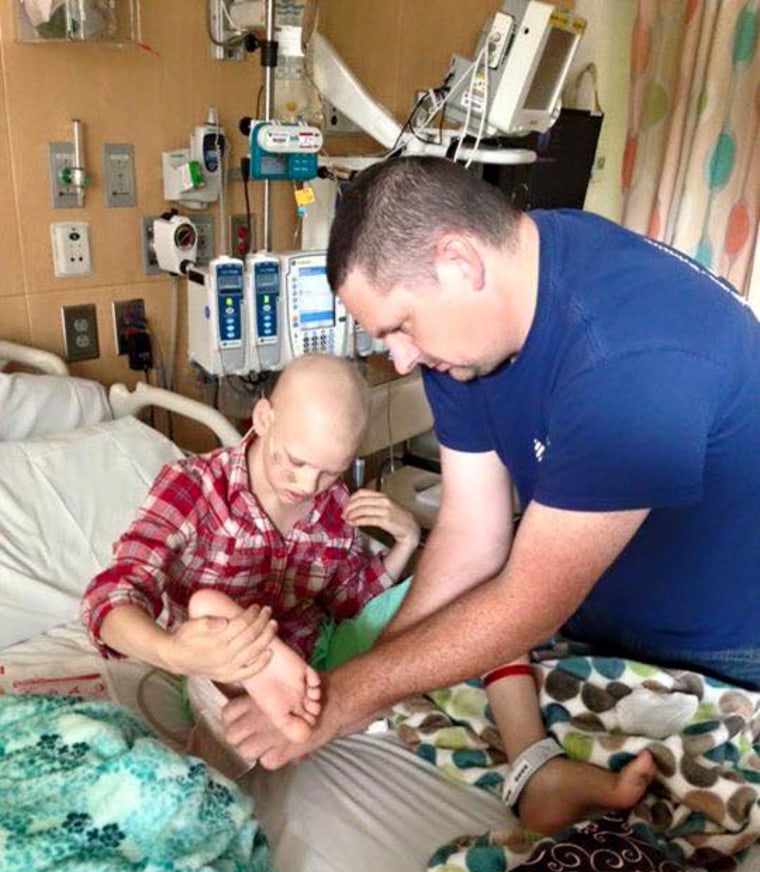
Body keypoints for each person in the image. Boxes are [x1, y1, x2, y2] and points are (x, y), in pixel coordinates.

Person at [219, 155, 760, 835]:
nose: (400, 360)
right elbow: (472, 536)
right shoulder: (479, 324)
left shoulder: (631, 356)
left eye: (398, 325)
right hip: (598, 616)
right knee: (437, 682)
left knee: (673, 840)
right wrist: (349, 685)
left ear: (459, 262)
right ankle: (541, 762)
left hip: (726, 641)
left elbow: (528, 600)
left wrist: (347, 697)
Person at [82, 354, 420, 748]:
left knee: (422, 602)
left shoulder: (334, 503)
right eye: (296, 460)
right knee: (213, 612)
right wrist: (173, 653)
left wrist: (406, 541)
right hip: (222, 665)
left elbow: (350, 603)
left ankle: (311, 694)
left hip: (317, 654)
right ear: (264, 419)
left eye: (331, 470)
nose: (309, 485)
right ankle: (272, 691)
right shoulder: (195, 489)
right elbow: (109, 597)